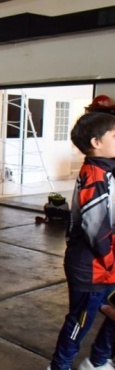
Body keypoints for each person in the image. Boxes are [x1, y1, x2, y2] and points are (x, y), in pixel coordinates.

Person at [48, 112, 115, 370]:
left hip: (106, 266)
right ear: (96, 142)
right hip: (92, 268)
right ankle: (59, 366)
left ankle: (98, 361)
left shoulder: (106, 170)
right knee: (79, 322)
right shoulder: (94, 177)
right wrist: (109, 261)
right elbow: (96, 230)